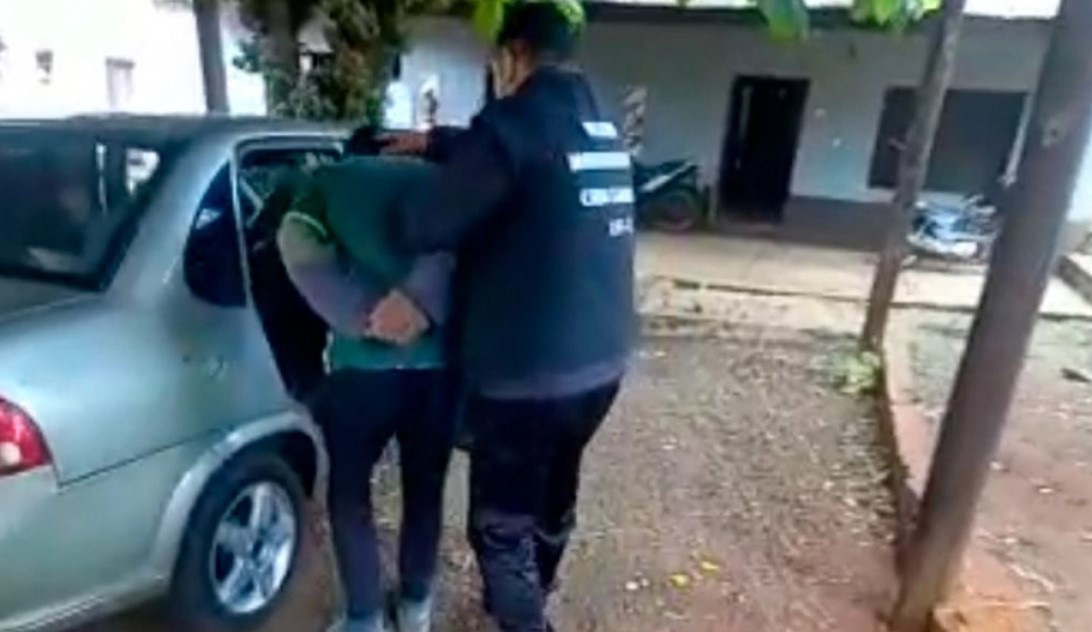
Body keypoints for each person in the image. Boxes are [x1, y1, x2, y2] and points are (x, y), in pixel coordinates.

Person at [375, 3, 636, 630]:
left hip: (528, 375)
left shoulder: (511, 123)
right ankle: (531, 592)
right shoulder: (598, 124)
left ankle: (523, 616)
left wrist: (381, 193)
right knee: (553, 498)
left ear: (513, 56)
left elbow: (425, 225)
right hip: (601, 365)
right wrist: (439, 142)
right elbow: (529, 159)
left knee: (500, 529)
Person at [277, 127, 455, 632]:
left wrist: (362, 316)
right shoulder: (443, 181)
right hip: (437, 366)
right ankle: (416, 606)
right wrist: (421, 307)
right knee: (425, 487)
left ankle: (364, 616)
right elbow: (464, 247)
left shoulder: (329, 180)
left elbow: (296, 240)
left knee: (351, 492)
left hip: (360, 369)